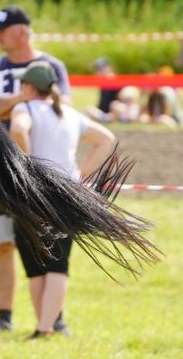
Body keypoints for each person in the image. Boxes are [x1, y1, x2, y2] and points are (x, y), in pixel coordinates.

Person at [0, 4, 70, 333]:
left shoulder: (52, 66)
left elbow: (63, 110)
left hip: (44, 171)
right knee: (3, 243)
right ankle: (5, 315)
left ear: (21, 32)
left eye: (2, 31)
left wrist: (13, 102)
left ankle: (53, 318)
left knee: (48, 243)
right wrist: (25, 96)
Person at [8, 62, 117, 339]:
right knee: (59, 263)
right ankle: (46, 325)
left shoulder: (25, 108)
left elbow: (19, 129)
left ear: (30, 87)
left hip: (34, 195)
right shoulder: (70, 113)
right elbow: (106, 139)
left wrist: (28, 165)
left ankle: (42, 326)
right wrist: (82, 175)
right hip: (66, 193)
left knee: (35, 264)